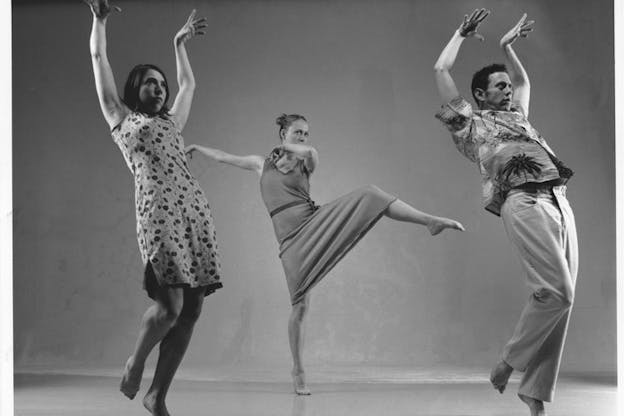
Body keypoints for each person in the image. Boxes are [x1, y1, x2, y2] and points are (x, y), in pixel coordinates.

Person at [186, 113, 464, 395]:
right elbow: (223, 157)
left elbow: (311, 152)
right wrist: (197, 149)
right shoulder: (262, 164)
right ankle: (298, 370)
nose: (304, 137)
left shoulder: (306, 161)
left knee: (370, 195)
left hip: (315, 223)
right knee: (300, 305)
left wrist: (293, 146)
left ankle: (428, 220)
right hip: (290, 242)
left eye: (306, 133)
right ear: (283, 133)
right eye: (297, 132)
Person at [433, 9, 577, 416]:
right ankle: (508, 363)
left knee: (564, 299)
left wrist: (506, 47)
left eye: (506, 85)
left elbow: (524, 81)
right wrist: (460, 34)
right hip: (522, 201)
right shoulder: (470, 124)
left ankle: (533, 390)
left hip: (558, 200)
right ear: (480, 95)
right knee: (556, 292)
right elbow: (441, 70)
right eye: (499, 86)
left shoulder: (519, 116)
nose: (508, 90)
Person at [85, 1, 221, 414]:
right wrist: (99, 20)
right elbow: (98, 58)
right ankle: (135, 363)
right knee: (170, 307)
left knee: (192, 309)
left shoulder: (172, 123)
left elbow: (189, 87)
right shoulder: (121, 119)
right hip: (159, 215)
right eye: (149, 83)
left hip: (195, 214)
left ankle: (156, 395)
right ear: (133, 91)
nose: (159, 88)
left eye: (161, 84)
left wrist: (178, 46)